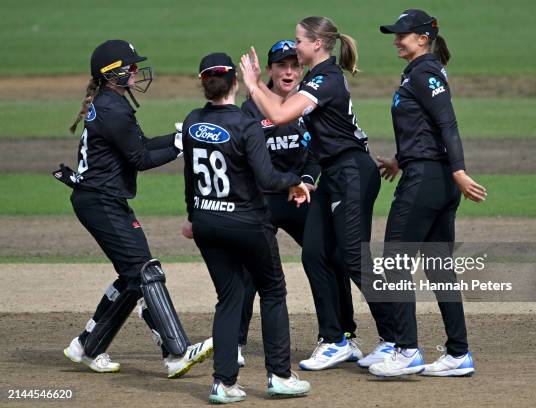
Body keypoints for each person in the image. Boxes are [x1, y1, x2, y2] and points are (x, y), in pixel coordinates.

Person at [240, 16, 399, 371]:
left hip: (352, 171)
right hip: (333, 176)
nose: (295, 47)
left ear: (317, 44)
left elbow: (280, 114)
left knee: (354, 258)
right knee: (315, 254)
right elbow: (276, 107)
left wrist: (252, 84)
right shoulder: (315, 77)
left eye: (299, 40)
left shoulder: (326, 79)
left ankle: (399, 341)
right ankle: (335, 340)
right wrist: (257, 87)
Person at [56, 39, 212, 378]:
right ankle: (177, 352)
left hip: (99, 199)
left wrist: (177, 139)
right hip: (100, 200)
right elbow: (140, 158)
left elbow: (138, 145)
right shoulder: (113, 108)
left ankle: (87, 345)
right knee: (145, 272)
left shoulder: (111, 103)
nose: (137, 72)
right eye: (131, 66)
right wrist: (181, 146)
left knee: (133, 277)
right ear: (114, 73)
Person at [181, 52, 311, 404]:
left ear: (204, 84)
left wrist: (193, 216)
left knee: (228, 298)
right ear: (235, 84)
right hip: (246, 222)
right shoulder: (245, 123)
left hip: (207, 221)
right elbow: (267, 177)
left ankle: (223, 383)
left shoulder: (192, 122)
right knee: (272, 291)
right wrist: (296, 181)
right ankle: (280, 376)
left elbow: (191, 179)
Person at [368, 10, 486, 377]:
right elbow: (425, 128)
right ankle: (458, 354)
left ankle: (406, 351)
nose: (395, 40)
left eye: (401, 34)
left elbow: (447, 123)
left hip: (428, 181)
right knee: (438, 269)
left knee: (395, 260)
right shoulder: (420, 71)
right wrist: (400, 159)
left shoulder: (425, 72)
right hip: (432, 178)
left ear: (422, 38)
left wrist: (459, 171)